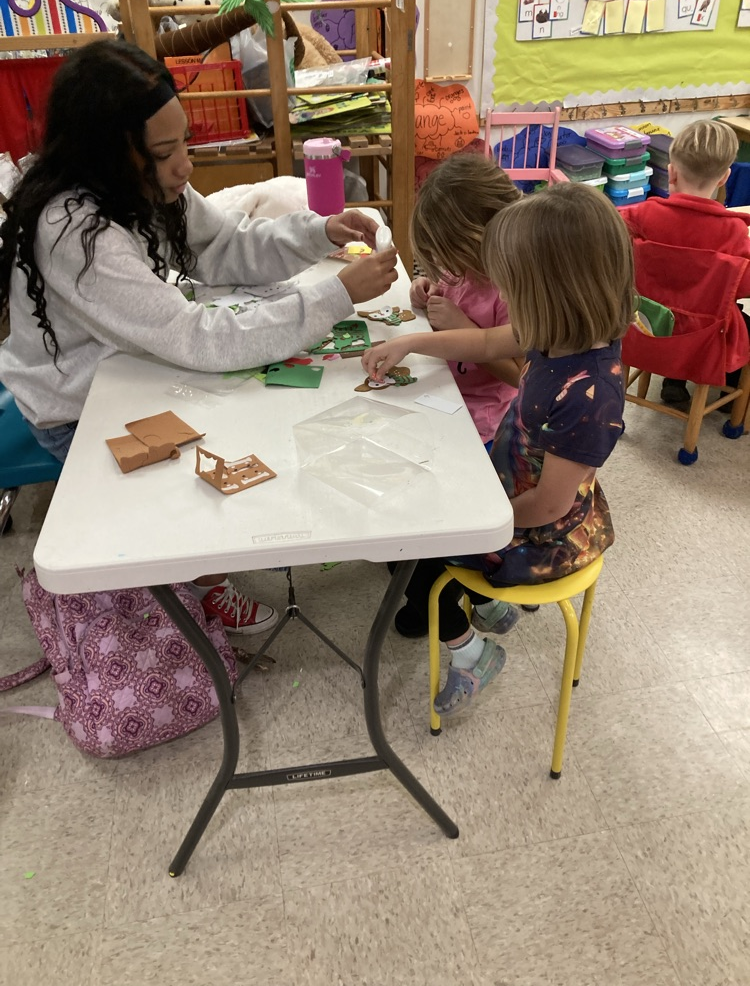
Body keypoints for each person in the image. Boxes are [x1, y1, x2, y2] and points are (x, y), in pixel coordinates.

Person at [0, 39, 397, 635]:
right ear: (110, 154)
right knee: (179, 501)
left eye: (184, 141)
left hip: (132, 367)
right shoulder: (76, 232)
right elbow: (198, 339)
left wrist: (319, 233)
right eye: (166, 152)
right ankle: (195, 590)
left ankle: (197, 575)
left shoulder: (145, 182)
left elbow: (223, 243)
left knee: (238, 419)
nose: (185, 166)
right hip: (77, 408)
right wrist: (335, 294)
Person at [362, 184, 630, 718]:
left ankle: (473, 654)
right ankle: (488, 605)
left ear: (552, 288)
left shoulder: (590, 395)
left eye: (512, 285)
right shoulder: (553, 329)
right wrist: (409, 342)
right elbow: (484, 343)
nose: (502, 295)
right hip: (509, 488)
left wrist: (474, 520)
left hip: (542, 533)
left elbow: (550, 507)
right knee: (416, 505)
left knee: (411, 553)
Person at [618, 119, 750, 409]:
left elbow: (613, 243)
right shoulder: (734, 231)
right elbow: (742, 286)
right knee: (726, 316)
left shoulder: (641, 214)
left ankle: (674, 383)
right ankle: (729, 397)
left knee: (684, 310)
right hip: (704, 343)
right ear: (724, 178)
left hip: (646, 329)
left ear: (671, 172)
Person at [409, 155, 524, 449]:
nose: (443, 263)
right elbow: (448, 284)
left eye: (448, 253)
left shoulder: (510, 292)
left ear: (477, 240)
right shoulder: (460, 268)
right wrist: (426, 288)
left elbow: (519, 377)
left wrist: (463, 327)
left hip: (484, 417)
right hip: (442, 387)